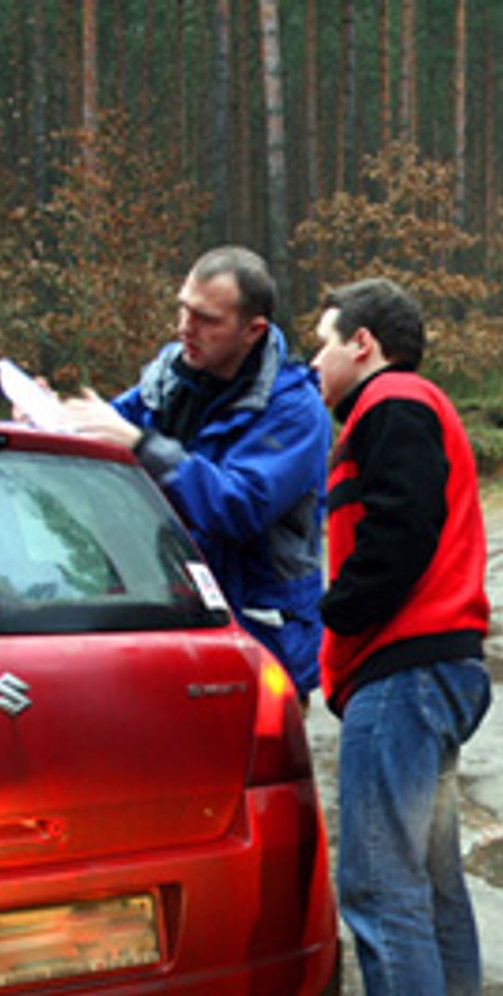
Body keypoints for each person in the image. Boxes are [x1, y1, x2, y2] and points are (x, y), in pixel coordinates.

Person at [309, 277, 492, 996]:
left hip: (406, 678)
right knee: (428, 893)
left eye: (323, 341)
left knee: (382, 895)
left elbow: (399, 535)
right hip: (424, 674)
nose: (313, 359)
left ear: (366, 345)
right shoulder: (399, 407)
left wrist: (327, 616)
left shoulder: (394, 403)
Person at [45, 245, 331, 698]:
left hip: (257, 636)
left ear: (252, 330)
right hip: (168, 621)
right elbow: (105, 429)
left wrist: (143, 447)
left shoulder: (294, 410)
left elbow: (239, 506)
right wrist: (52, 417)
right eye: (182, 309)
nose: (184, 328)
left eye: (205, 318)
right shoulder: (169, 376)